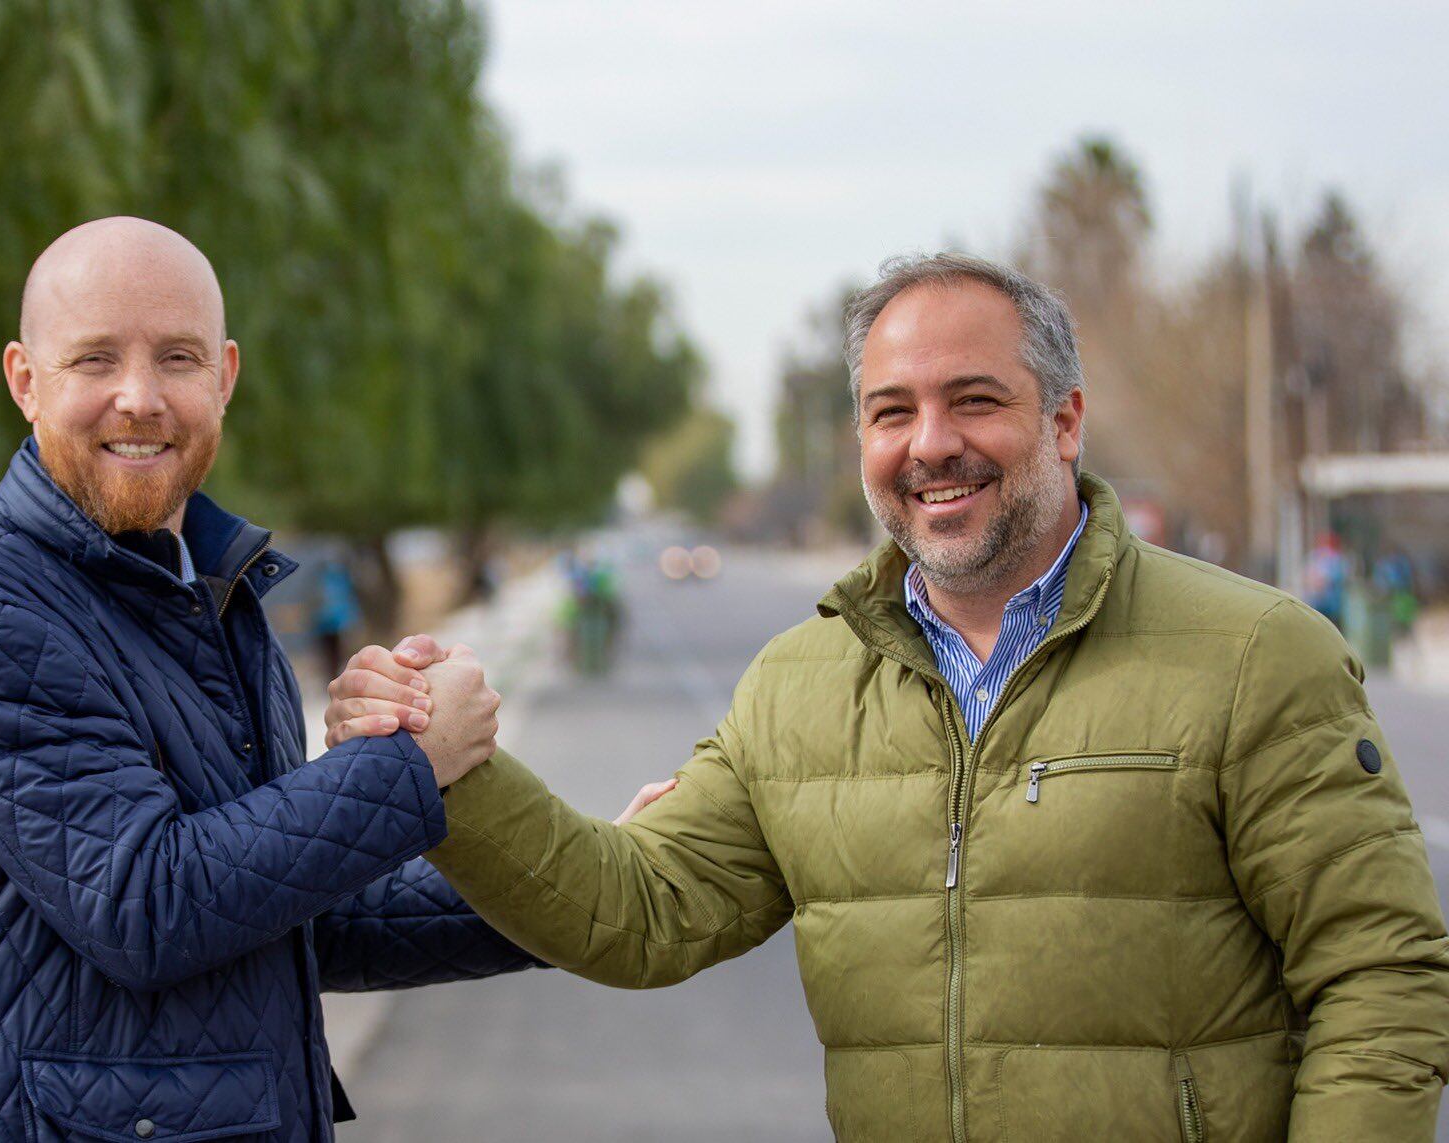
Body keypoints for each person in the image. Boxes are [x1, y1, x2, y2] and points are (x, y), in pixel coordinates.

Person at [337, 253, 1449, 1140]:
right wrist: (453, 771)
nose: (931, 445)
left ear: (1063, 423)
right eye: (890, 411)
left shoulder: (1256, 654)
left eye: (974, 401)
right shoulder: (798, 684)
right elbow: (635, 913)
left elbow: (1380, 980)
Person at [0, 217, 540, 1142]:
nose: (138, 398)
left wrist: (576, 886)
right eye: (94, 359)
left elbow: (293, 910)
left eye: (176, 358)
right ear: (25, 380)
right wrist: (411, 767)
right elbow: (148, 903)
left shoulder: (205, 581)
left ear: (224, 376)